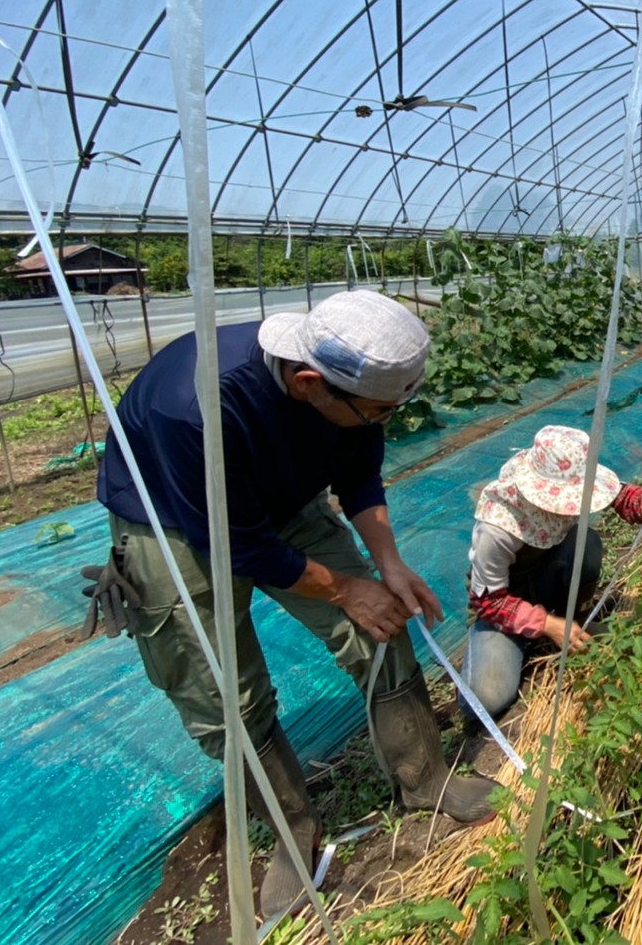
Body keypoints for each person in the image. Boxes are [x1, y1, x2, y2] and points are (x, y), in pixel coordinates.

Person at [87, 290, 500, 918]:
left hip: (281, 500)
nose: (385, 420)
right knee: (223, 695)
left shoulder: (350, 387)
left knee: (381, 626)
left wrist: (385, 566)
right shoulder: (196, 410)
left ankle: (426, 780)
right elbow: (239, 545)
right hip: (174, 528)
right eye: (378, 410)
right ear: (309, 383)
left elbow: (359, 471)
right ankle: (294, 834)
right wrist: (342, 588)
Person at [461, 424, 642, 720]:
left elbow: (621, 496)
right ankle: (541, 634)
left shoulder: (574, 482)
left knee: (585, 542)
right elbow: (489, 602)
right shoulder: (497, 526)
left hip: (547, 577)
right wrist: (548, 624)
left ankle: (571, 619)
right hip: (503, 605)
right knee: (486, 699)